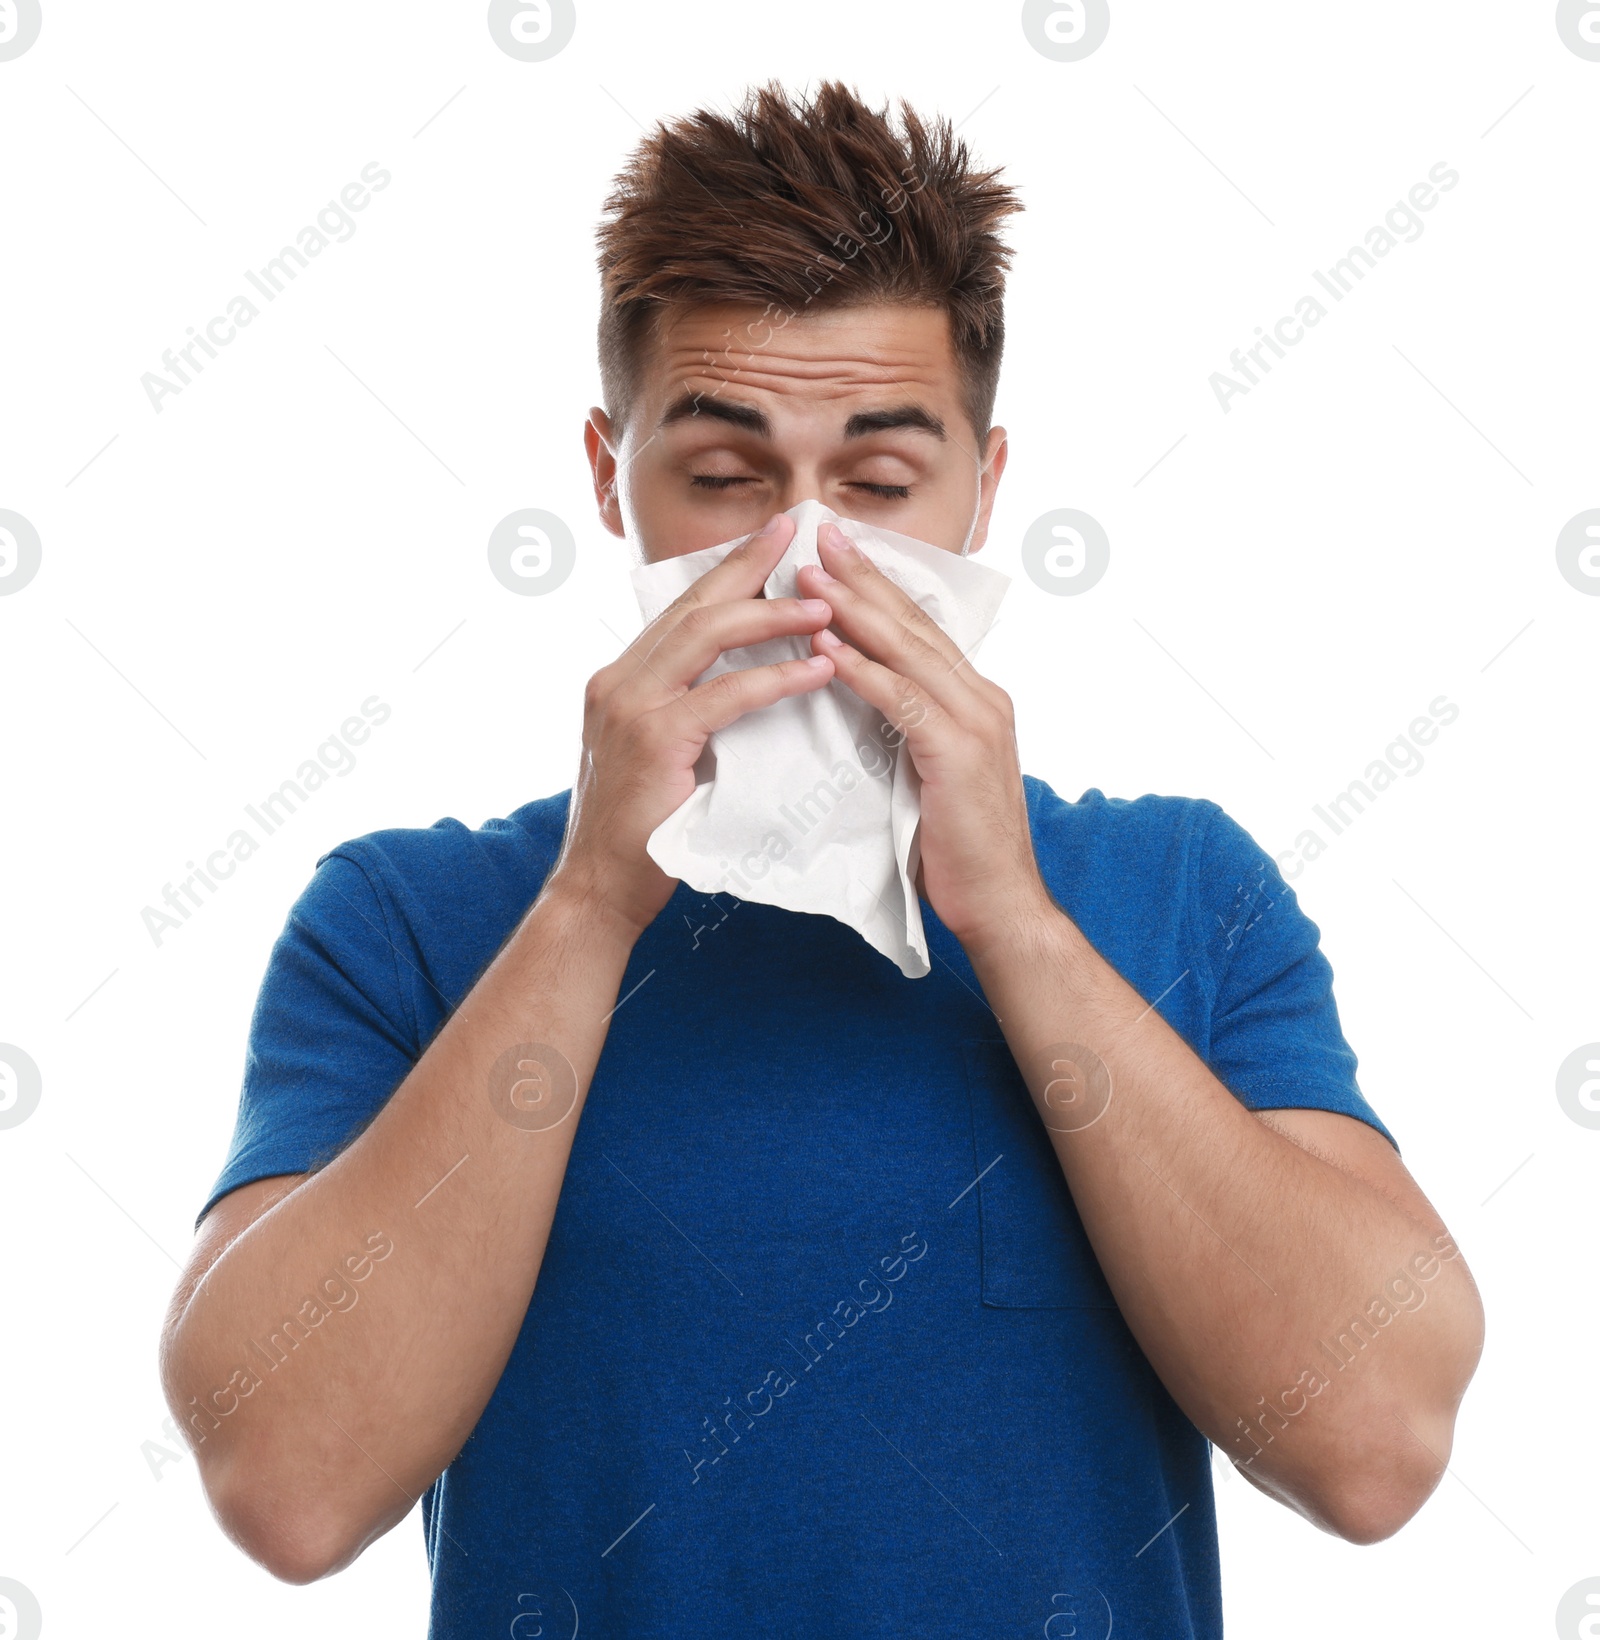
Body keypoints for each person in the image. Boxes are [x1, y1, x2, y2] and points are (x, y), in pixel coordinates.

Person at [159, 81, 1484, 1638]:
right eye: (722, 479)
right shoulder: (408, 921)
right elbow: (289, 1488)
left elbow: (1376, 1450)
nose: (800, 559)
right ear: (610, 479)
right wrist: (593, 900)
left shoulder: (1186, 894)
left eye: (875, 484)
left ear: (985, 487)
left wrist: (1020, 926)